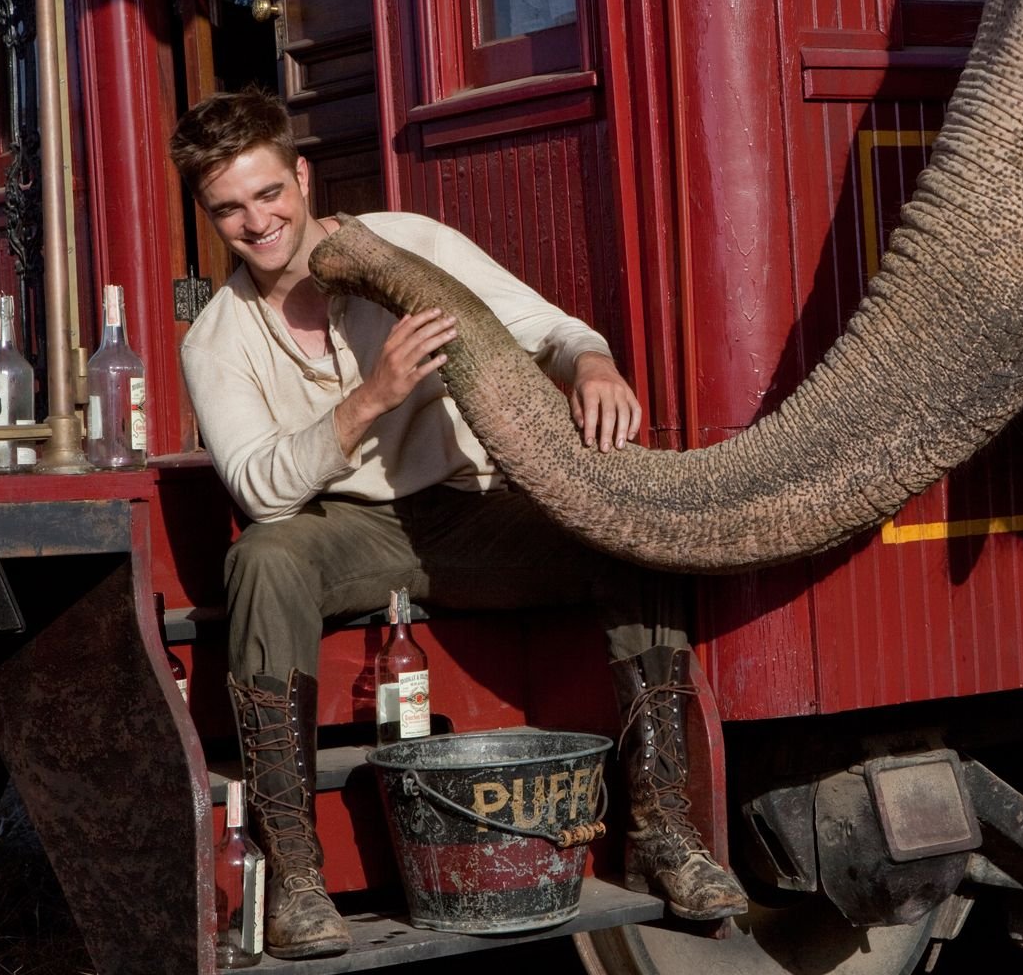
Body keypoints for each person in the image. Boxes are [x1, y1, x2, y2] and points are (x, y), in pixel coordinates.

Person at [173, 88, 747, 960]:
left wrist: (592, 363)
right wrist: (371, 399)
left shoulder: (407, 243)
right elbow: (260, 488)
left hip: (467, 514)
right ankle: (295, 880)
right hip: (346, 528)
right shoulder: (217, 337)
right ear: (210, 217)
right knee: (265, 559)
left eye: (267, 194)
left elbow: (547, 329)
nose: (257, 222)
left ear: (300, 175)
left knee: (627, 523)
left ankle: (664, 831)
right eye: (229, 209)